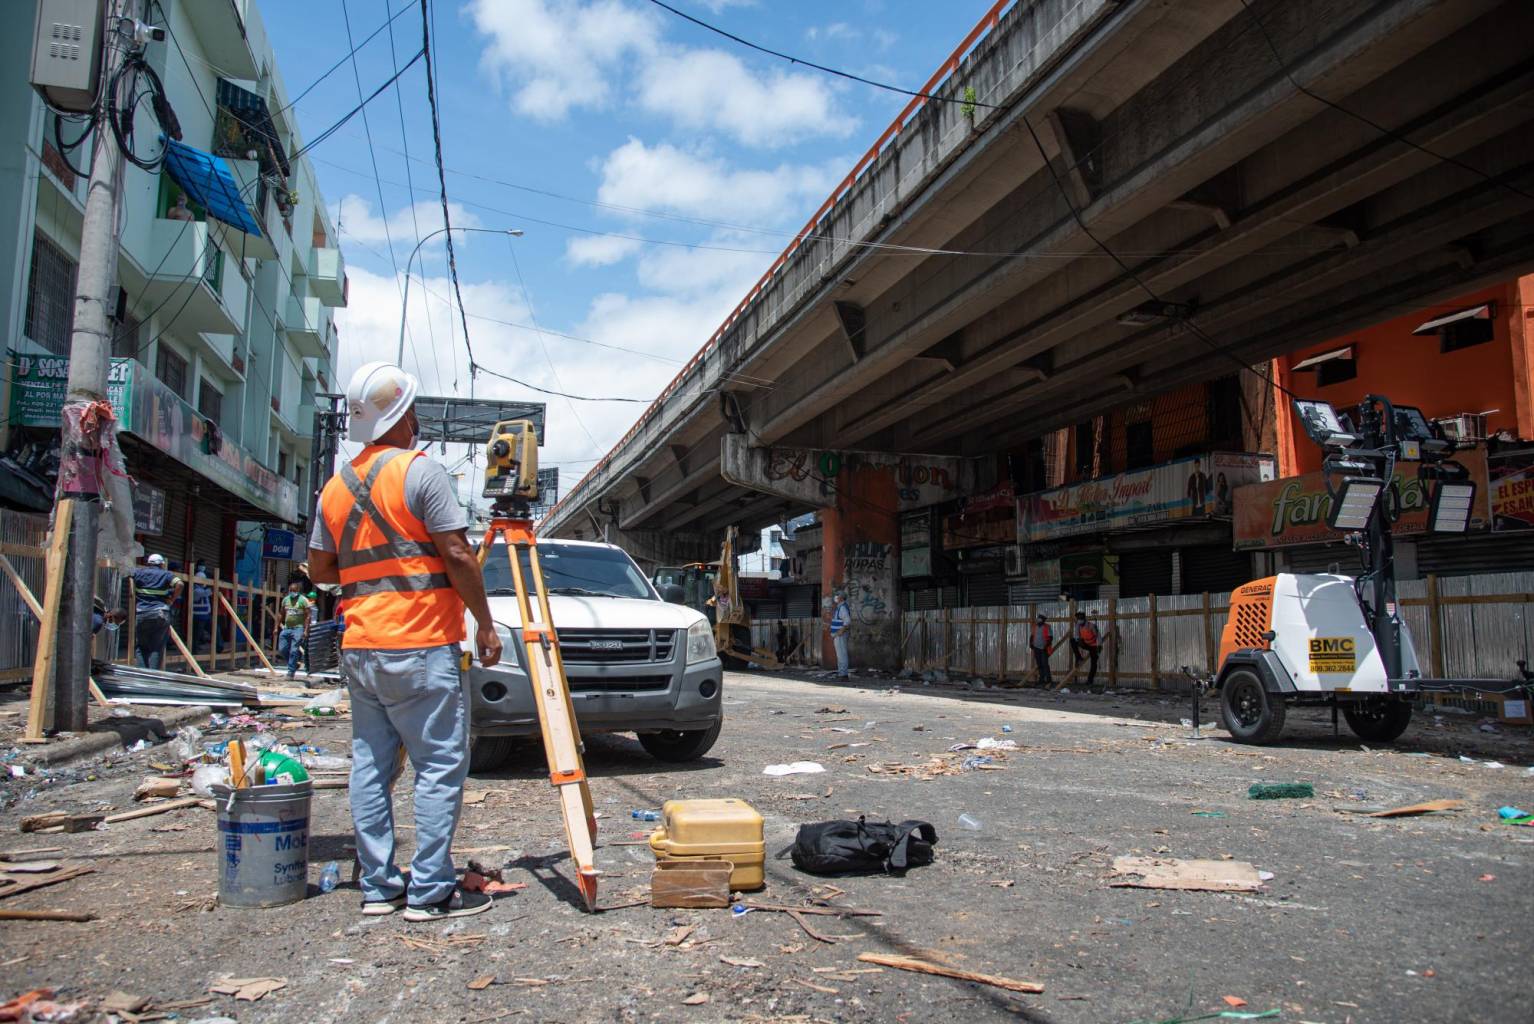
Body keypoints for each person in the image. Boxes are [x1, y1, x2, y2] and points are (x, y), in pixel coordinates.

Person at [307, 362, 503, 923]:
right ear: (405, 415)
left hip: (362, 647)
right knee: (439, 765)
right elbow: (459, 555)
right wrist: (484, 624)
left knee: (371, 766)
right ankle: (431, 892)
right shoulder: (422, 473)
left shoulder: (336, 487)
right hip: (420, 644)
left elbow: (321, 569)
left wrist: (371, 565)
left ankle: (379, 887)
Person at [130, 553, 182, 669]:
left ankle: (142, 676)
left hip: (142, 613)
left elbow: (128, 573)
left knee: (141, 647)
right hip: (161, 613)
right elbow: (180, 584)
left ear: (148, 563)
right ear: (162, 564)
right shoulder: (166, 574)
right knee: (157, 647)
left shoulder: (139, 572)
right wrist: (172, 599)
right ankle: (153, 676)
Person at [275, 579, 312, 680]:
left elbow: (308, 615)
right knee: (282, 649)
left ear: (298, 591)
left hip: (298, 628)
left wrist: (305, 630)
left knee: (294, 650)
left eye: (294, 591)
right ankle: (294, 664)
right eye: (291, 590)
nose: (292, 592)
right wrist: (276, 627)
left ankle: (290, 672)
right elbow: (281, 613)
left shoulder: (303, 600)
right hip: (286, 628)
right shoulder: (286, 600)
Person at [1069, 611, 1102, 688]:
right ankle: (1079, 657)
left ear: (1084, 618)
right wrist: (1078, 640)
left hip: (1094, 645)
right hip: (1085, 644)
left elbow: (1098, 636)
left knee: (1094, 663)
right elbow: (1076, 635)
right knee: (1072, 641)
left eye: (1080, 618)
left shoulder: (1091, 626)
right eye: (1078, 618)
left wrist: (1099, 646)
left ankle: (1090, 680)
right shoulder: (1078, 625)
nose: (1079, 620)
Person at [190, 564, 214, 654]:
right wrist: (212, 587)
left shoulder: (201, 588)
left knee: (215, 631)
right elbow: (204, 593)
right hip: (198, 615)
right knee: (196, 635)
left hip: (205, 615)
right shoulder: (195, 590)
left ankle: (219, 647)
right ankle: (194, 652)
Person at [829, 592, 852, 679]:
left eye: (837, 596)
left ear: (841, 598)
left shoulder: (842, 608)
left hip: (840, 634)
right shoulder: (840, 607)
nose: (835, 597)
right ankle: (841, 673)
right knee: (840, 655)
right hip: (838, 634)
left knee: (842, 654)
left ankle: (843, 675)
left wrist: (840, 631)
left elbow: (847, 621)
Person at [1030, 612, 1054, 685]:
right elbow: (1032, 636)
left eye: (1041, 619)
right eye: (1038, 618)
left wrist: (1046, 646)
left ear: (1043, 620)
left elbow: (1050, 638)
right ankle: (1041, 679)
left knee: (1045, 664)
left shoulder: (1047, 627)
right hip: (1036, 648)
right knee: (1039, 664)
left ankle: (1048, 679)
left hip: (1044, 648)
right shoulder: (1035, 626)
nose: (1039, 620)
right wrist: (1031, 643)